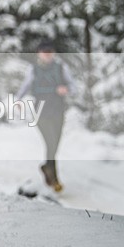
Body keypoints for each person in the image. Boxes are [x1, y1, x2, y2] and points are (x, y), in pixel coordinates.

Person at [15, 40, 76, 191]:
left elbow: (73, 86)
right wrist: (18, 100)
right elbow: (26, 85)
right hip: (40, 111)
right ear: (39, 53)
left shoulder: (61, 68)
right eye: (44, 52)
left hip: (57, 110)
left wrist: (66, 89)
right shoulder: (33, 69)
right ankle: (55, 180)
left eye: (50, 52)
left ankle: (46, 168)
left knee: (55, 144)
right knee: (50, 143)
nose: (47, 55)